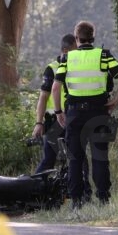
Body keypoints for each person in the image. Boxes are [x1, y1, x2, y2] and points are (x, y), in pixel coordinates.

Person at [52, 21, 118, 209]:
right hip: (98, 111)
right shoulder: (103, 56)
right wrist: (115, 100)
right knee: (100, 157)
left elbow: (56, 88)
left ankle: (76, 202)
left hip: (74, 114)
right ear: (93, 37)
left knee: (75, 158)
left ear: (76, 37)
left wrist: (58, 112)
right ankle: (103, 199)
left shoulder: (67, 59)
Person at [31, 34, 92, 201]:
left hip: (74, 118)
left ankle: (84, 195)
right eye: (75, 49)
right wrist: (39, 122)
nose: (78, 52)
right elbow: (43, 98)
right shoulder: (52, 68)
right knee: (49, 159)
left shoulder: (78, 66)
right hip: (54, 122)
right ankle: (32, 193)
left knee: (79, 157)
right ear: (66, 50)